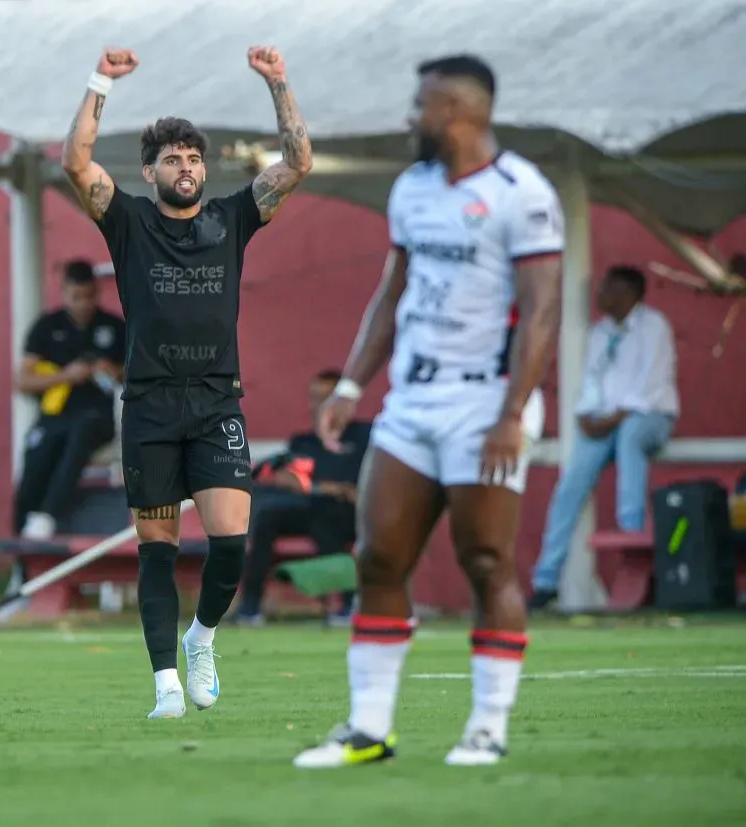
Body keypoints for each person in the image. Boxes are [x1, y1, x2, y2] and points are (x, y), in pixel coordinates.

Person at [293, 55, 563, 769]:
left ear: (459, 112)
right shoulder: (411, 187)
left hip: (486, 401)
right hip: (411, 402)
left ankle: (487, 727)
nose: (411, 117)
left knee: (486, 559)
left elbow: (541, 313)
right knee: (379, 555)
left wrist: (512, 414)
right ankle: (368, 729)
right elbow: (394, 293)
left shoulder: (522, 193)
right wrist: (351, 387)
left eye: (422, 105)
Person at [61, 46, 311, 718]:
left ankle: (202, 637)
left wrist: (278, 83)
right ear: (151, 172)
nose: (186, 167)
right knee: (158, 549)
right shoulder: (129, 222)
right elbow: (76, 163)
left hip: (215, 402)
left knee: (230, 540)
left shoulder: (231, 218)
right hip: (148, 406)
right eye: (173, 159)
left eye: (194, 158)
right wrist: (101, 81)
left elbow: (297, 164)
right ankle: (166, 684)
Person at [528, 266, 678, 608]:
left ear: (630, 294)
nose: (600, 294)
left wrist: (614, 417)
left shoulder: (654, 326)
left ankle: (633, 546)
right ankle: (546, 579)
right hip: (605, 422)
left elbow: (650, 385)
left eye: (609, 288)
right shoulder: (601, 332)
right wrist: (585, 413)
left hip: (649, 416)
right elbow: (592, 381)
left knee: (631, 438)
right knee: (572, 483)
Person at [236, 369, 370, 626]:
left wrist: (347, 491)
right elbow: (281, 475)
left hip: (351, 512)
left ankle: (348, 604)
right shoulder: (303, 442)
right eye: (315, 398)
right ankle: (250, 608)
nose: (319, 405)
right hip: (310, 507)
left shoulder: (364, 436)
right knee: (267, 517)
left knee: (326, 521)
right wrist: (309, 485)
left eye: (326, 398)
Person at [13, 259, 125, 540]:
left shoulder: (114, 327)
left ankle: (48, 515)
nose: (83, 304)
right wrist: (67, 376)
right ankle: (22, 536)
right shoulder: (46, 327)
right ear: (64, 293)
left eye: (89, 296)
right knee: (37, 455)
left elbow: (143, 372)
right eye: (76, 297)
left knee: (79, 436)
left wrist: (113, 371)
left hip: (97, 417)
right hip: (54, 415)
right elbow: (23, 381)